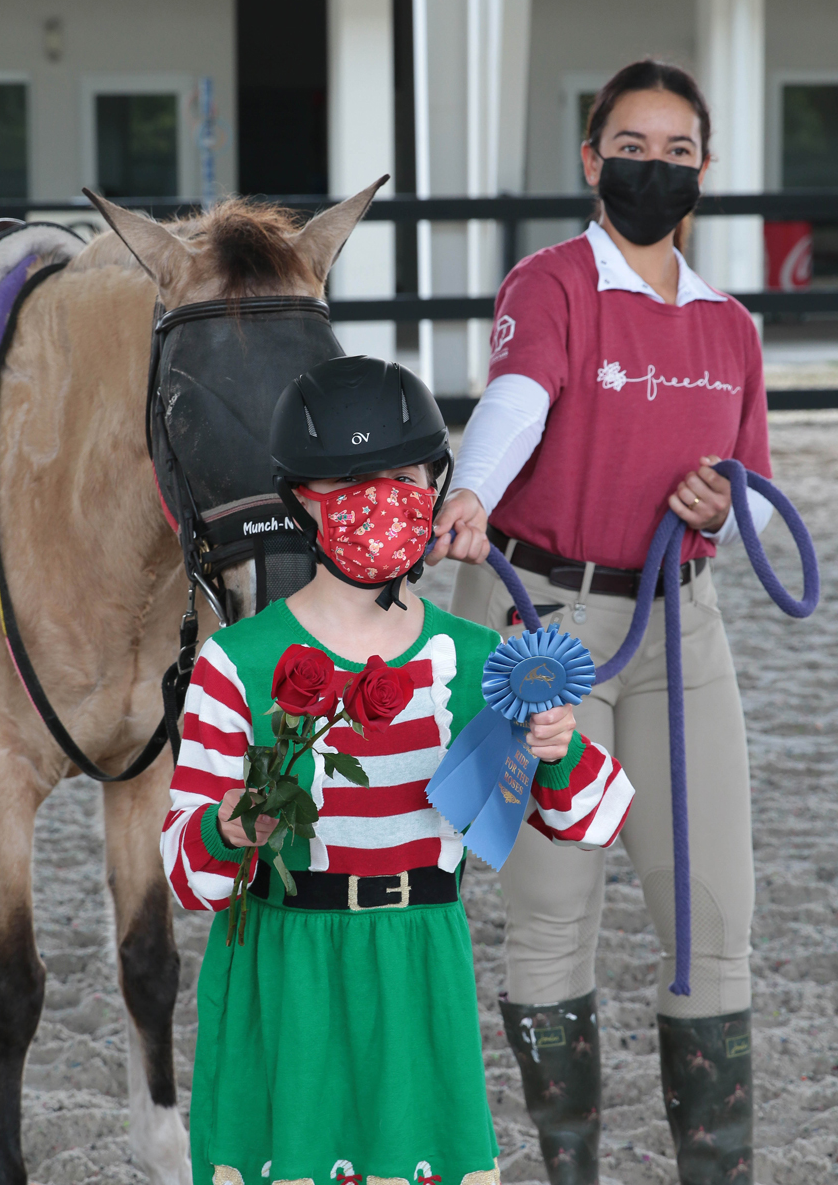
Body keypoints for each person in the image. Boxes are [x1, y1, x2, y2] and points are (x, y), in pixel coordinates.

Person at [160, 355, 628, 1184]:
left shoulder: (478, 659)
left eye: (403, 479)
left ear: (436, 485)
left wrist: (559, 748)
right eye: (347, 483)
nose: (378, 500)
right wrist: (227, 829)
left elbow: (595, 820)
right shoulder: (236, 661)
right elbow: (186, 877)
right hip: (283, 969)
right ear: (298, 499)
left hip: (420, 967)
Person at [427, 61, 770, 1185]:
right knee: (550, 910)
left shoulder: (729, 327)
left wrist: (713, 505)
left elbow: (747, 487)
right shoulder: (552, 285)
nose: (653, 167)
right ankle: (568, 1170)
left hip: (681, 626)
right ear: (590, 159)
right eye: (631, 146)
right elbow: (518, 398)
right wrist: (470, 491)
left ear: (703, 169)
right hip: (542, 625)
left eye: (676, 151)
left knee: (712, 918)